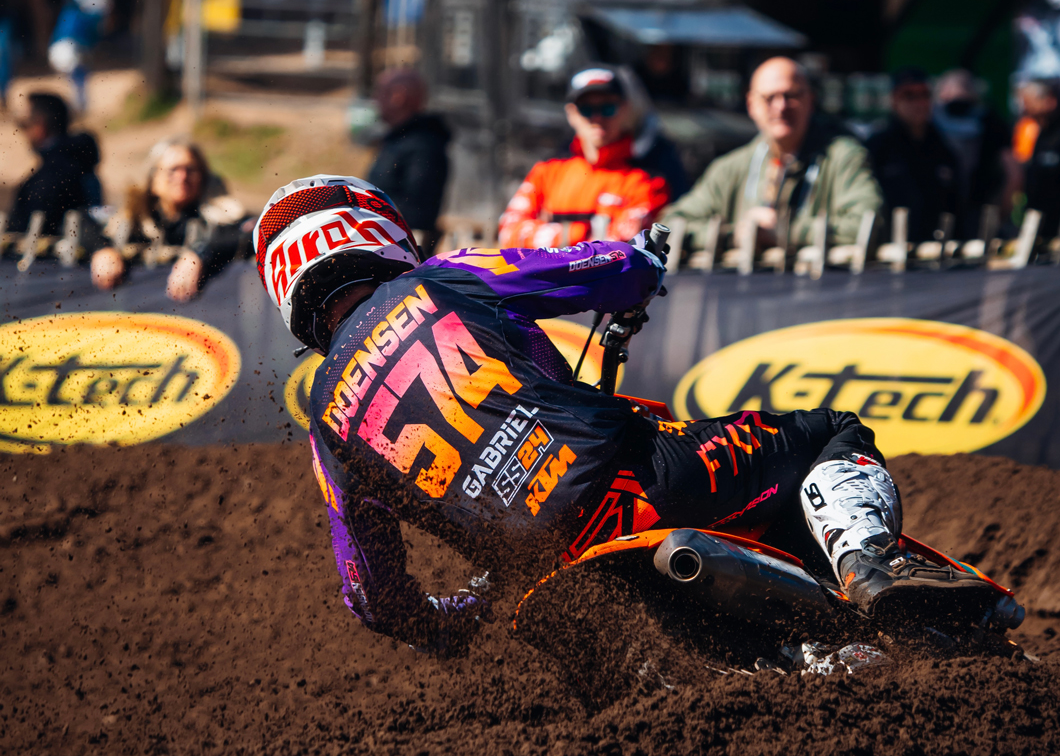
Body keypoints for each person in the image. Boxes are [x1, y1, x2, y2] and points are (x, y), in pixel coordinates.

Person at [253, 174, 988, 653]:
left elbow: (373, 597)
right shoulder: (446, 280)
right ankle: (870, 566)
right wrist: (642, 262)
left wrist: (455, 622)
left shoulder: (326, 428)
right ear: (375, 230)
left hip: (553, 599)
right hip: (644, 487)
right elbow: (610, 270)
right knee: (829, 431)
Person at [664, 57, 882, 256]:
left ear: (811, 100)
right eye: (769, 98)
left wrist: (786, 231)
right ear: (751, 105)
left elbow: (868, 224)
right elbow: (671, 224)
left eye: (791, 95)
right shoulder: (731, 168)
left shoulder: (842, 158)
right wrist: (735, 235)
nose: (781, 106)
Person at [498, 66, 676, 248]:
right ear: (571, 113)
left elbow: (616, 248)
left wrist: (548, 237)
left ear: (625, 110)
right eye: (586, 109)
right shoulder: (546, 172)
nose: (597, 118)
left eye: (608, 108)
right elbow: (508, 231)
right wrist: (579, 233)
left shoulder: (648, 183)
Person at [90, 137, 245, 301]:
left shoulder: (219, 218)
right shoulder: (131, 221)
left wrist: (199, 255)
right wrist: (102, 250)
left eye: (190, 169)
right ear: (153, 179)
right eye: (173, 170)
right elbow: (81, 220)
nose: (182, 177)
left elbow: (250, 232)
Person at [866, 66, 959, 242]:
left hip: (936, 248)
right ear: (894, 100)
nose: (919, 102)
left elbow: (957, 206)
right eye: (909, 95)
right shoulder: (877, 148)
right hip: (887, 248)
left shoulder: (943, 148)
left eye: (924, 95)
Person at [366, 68, 451, 256]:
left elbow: (416, 211)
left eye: (380, 92)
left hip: (397, 252)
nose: (375, 99)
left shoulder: (424, 146)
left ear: (399, 96)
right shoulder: (399, 140)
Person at [933, 69, 1011, 239]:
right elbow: (1014, 172)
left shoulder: (990, 122)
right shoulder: (929, 122)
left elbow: (1013, 172)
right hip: (943, 213)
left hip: (976, 211)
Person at [7, 91, 98, 235]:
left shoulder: (47, 179)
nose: (21, 132)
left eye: (24, 124)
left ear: (40, 125)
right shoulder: (80, 162)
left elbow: (22, 232)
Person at [1020, 79, 1060, 244]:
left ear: (1050, 101)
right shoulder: (1037, 131)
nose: (1024, 107)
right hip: (1037, 219)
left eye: (1028, 101)